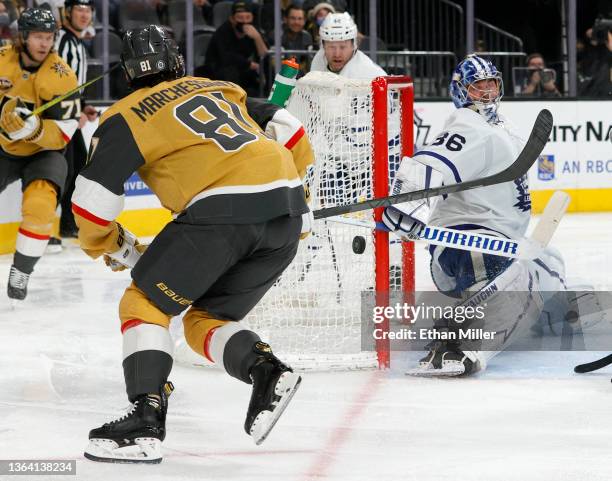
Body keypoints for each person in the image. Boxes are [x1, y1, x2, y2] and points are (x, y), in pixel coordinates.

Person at [72, 25, 314, 463]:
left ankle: (145, 419)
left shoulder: (125, 115)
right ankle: (266, 372)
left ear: (128, 74)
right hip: (285, 213)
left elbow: (90, 206)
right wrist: (303, 205)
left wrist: (111, 244)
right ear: (178, 63)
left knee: (143, 306)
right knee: (205, 317)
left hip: (219, 217)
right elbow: (288, 126)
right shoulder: (221, 88)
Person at [382, 54, 569, 377]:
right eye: (476, 87)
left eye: (491, 84)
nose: (486, 92)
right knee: (521, 283)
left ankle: (544, 313)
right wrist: (405, 206)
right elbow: (435, 161)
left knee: (549, 261)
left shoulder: (498, 125)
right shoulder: (468, 123)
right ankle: (459, 345)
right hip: (468, 243)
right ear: (460, 92)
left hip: (496, 242)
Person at [0, 7, 79, 301]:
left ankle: (22, 270)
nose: (44, 43)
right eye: (37, 36)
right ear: (23, 37)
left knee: (41, 205)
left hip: (45, 153)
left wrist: (33, 130)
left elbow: (68, 128)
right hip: (2, 147)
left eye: (49, 37)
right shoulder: (1, 60)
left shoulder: (62, 76)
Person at [50, 0, 97, 241]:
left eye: (87, 10)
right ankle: (45, 228)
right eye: (79, 9)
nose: (84, 14)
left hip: (69, 114)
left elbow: (74, 83)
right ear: (68, 12)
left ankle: (67, 224)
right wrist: (71, 110)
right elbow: (54, 81)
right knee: (60, 171)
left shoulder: (76, 41)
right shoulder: (62, 40)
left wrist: (82, 106)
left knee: (77, 167)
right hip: (56, 116)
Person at [202, 1, 268, 96]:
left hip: (243, 73)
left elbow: (264, 54)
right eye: (240, 18)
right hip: (219, 73)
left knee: (267, 69)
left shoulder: (253, 30)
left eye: (248, 17)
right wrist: (249, 64)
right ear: (232, 19)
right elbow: (226, 57)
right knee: (231, 72)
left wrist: (257, 37)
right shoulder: (222, 32)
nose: (245, 22)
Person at [309, 12, 385, 78]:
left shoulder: (370, 74)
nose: (337, 54)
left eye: (342, 47)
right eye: (331, 47)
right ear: (323, 46)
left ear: (354, 45)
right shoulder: (318, 61)